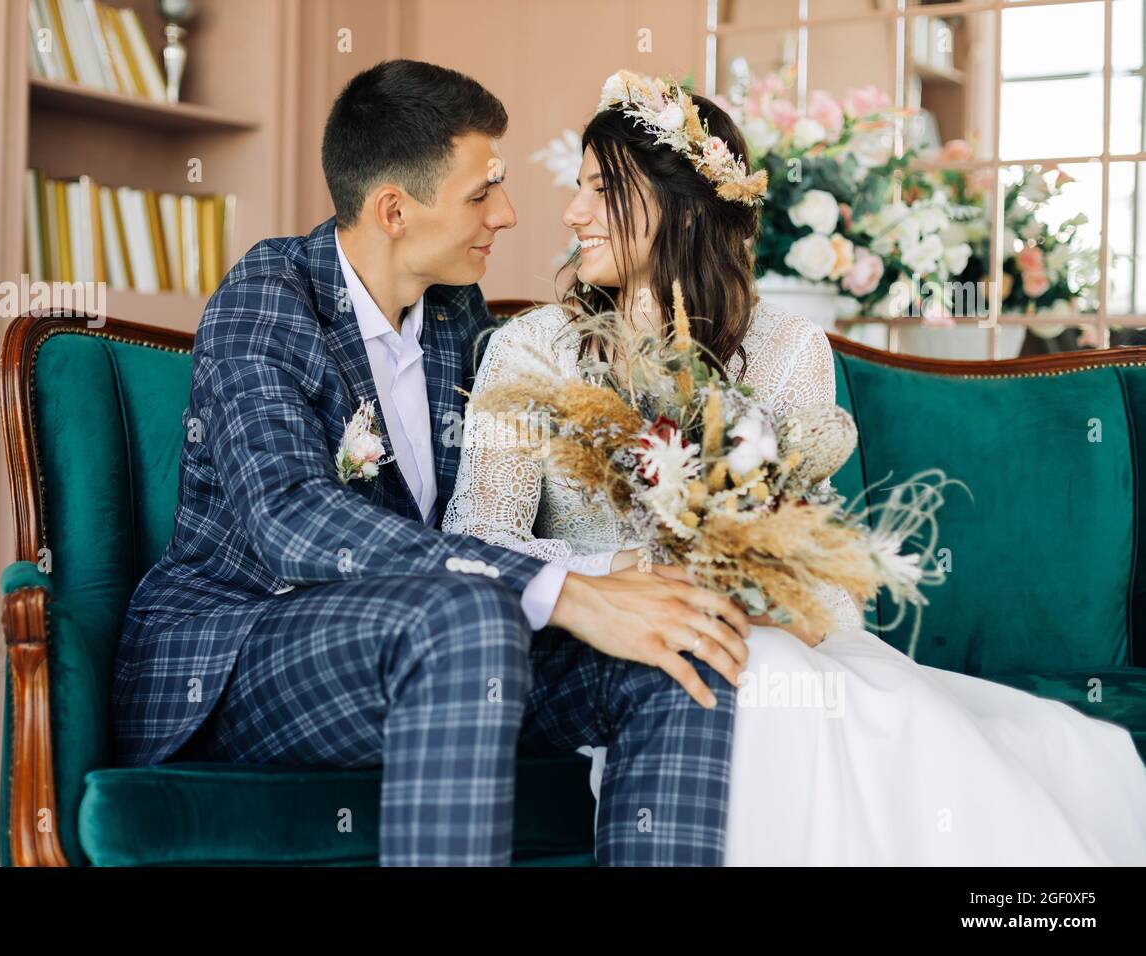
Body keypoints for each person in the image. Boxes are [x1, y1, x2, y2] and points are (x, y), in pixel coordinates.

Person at [442, 70, 1146, 864]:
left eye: (603, 190)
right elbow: (475, 541)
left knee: (858, 700)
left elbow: (822, 575)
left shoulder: (787, 350)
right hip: (613, 653)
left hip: (776, 636)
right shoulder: (529, 350)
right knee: (746, 672)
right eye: (579, 187)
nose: (573, 214)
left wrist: (762, 588)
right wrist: (628, 569)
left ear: (677, 205)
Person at [111, 59, 754, 867]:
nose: (513, 214)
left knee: (675, 646)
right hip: (237, 654)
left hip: (429, 643)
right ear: (394, 210)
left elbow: (480, 514)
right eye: (482, 194)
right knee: (472, 616)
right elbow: (288, 518)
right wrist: (565, 593)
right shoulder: (268, 295)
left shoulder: (457, 314)